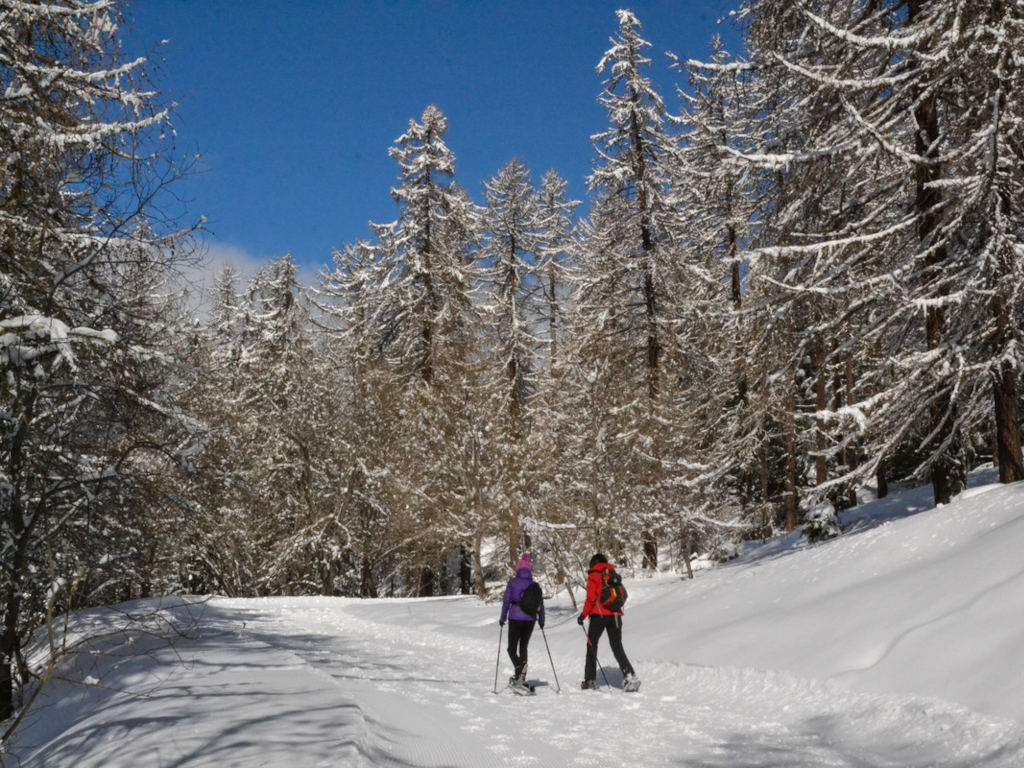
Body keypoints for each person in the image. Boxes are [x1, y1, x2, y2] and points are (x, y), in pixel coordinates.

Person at [577, 553, 640, 691]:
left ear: (593, 563)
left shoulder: (594, 575)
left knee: (591, 646)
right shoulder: (611, 573)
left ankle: (589, 680)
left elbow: (591, 599)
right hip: (616, 615)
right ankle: (630, 676)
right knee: (617, 647)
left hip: (598, 615)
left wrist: (583, 615)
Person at [499, 552, 545, 691]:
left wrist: (502, 618)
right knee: (523, 646)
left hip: (515, 617)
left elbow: (506, 601)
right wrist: (541, 621)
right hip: (530, 619)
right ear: (529, 570)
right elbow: (540, 604)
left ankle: (519, 667)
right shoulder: (534, 585)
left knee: (511, 648)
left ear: (518, 569)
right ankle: (521, 677)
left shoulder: (513, 582)